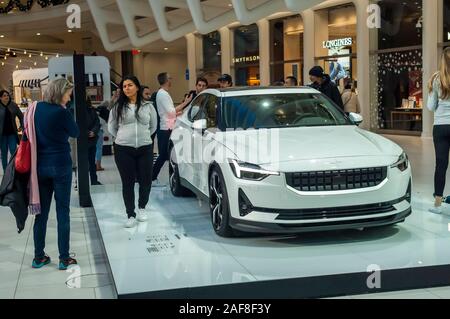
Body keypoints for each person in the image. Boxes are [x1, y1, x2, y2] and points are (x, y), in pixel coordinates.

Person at [32, 78, 80, 270]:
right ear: (61, 92)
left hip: (41, 166)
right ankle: (64, 258)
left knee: (41, 214)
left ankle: (38, 257)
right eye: (68, 94)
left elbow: (28, 135)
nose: (69, 98)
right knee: (63, 212)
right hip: (61, 165)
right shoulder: (62, 112)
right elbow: (75, 132)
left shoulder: (35, 109)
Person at [108, 76, 158, 228]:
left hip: (145, 148)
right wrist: (123, 139)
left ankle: (142, 207)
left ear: (137, 87)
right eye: (124, 86)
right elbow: (112, 127)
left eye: (130, 85)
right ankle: (130, 214)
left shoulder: (148, 106)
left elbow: (153, 126)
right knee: (127, 183)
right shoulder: (118, 107)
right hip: (123, 149)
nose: (127, 88)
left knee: (146, 180)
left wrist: (143, 138)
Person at [152, 72, 192, 185]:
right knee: (164, 155)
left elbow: (169, 113)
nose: (171, 80)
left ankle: (153, 177)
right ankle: (152, 177)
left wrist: (178, 113)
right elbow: (170, 112)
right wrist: (186, 103)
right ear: (166, 80)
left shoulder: (163, 93)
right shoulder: (163, 94)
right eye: (170, 78)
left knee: (166, 154)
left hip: (167, 126)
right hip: (165, 128)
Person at [428, 47, 450, 215]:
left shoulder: (436, 78)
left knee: (441, 165)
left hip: (441, 126)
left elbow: (430, 106)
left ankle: (437, 203)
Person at [0, 90, 23, 171]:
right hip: (2, 135)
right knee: (4, 154)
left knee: (14, 152)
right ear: (0, 98)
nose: (7, 97)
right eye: (4, 96)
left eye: (7, 95)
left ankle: (13, 171)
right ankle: (6, 171)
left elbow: (21, 116)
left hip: (12, 134)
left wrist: (21, 126)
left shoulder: (13, 105)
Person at [86, 97, 102, 185]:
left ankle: (94, 180)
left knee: (92, 162)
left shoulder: (91, 109)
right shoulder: (74, 109)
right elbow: (76, 124)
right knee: (82, 163)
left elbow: (97, 122)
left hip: (92, 140)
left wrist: (94, 131)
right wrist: (87, 132)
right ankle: (80, 182)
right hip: (81, 141)